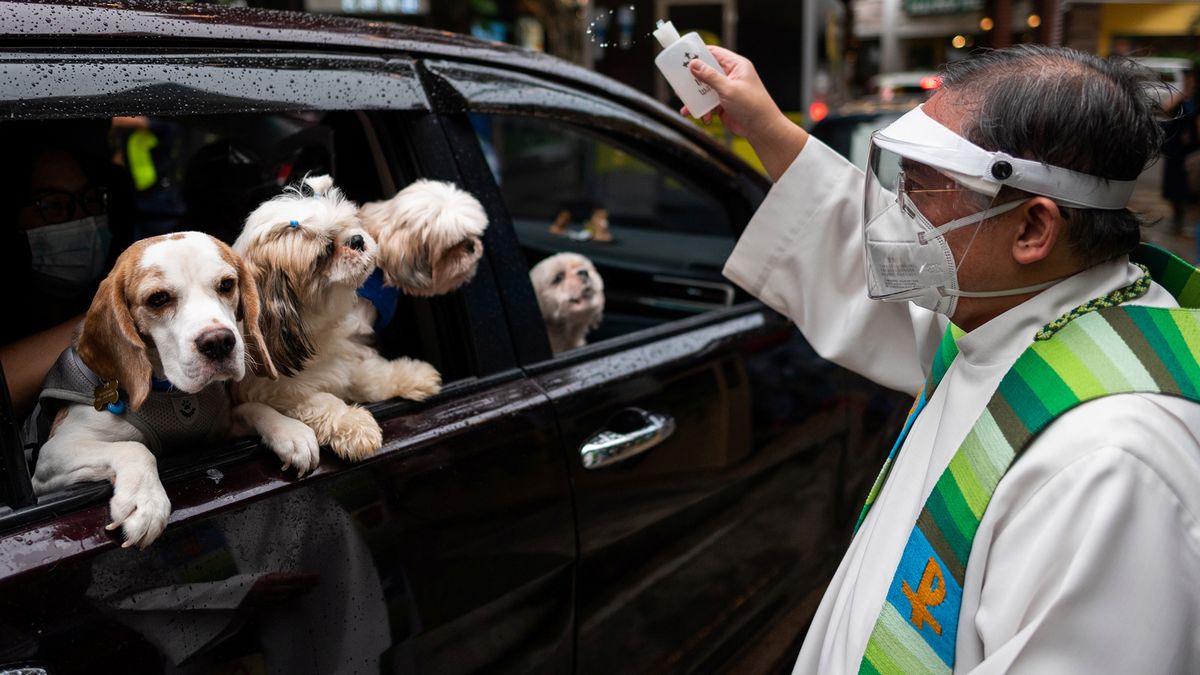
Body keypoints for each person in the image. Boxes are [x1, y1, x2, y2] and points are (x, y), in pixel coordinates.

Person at [686, 45, 1200, 672]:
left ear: (1033, 230)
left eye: (925, 187)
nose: (897, 212)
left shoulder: (1112, 464)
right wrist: (764, 127)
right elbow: (860, 258)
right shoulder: (1006, 319)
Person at [0, 129, 131, 419]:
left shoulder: (108, 286)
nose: (82, 220)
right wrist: (107, 319)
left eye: (90, 199)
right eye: (54, 206)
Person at [1162, 69, 1198, 234]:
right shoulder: (1181, 98)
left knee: (1190, 187)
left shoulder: (1198, 101)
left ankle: (1188, 220)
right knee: (1174, 186)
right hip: (1176, 151)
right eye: (1186, 80)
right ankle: (1177, 219)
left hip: (1191, 151)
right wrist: (1182, 93)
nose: (1188, 83)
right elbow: (1165, 108)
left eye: (1191, 80)